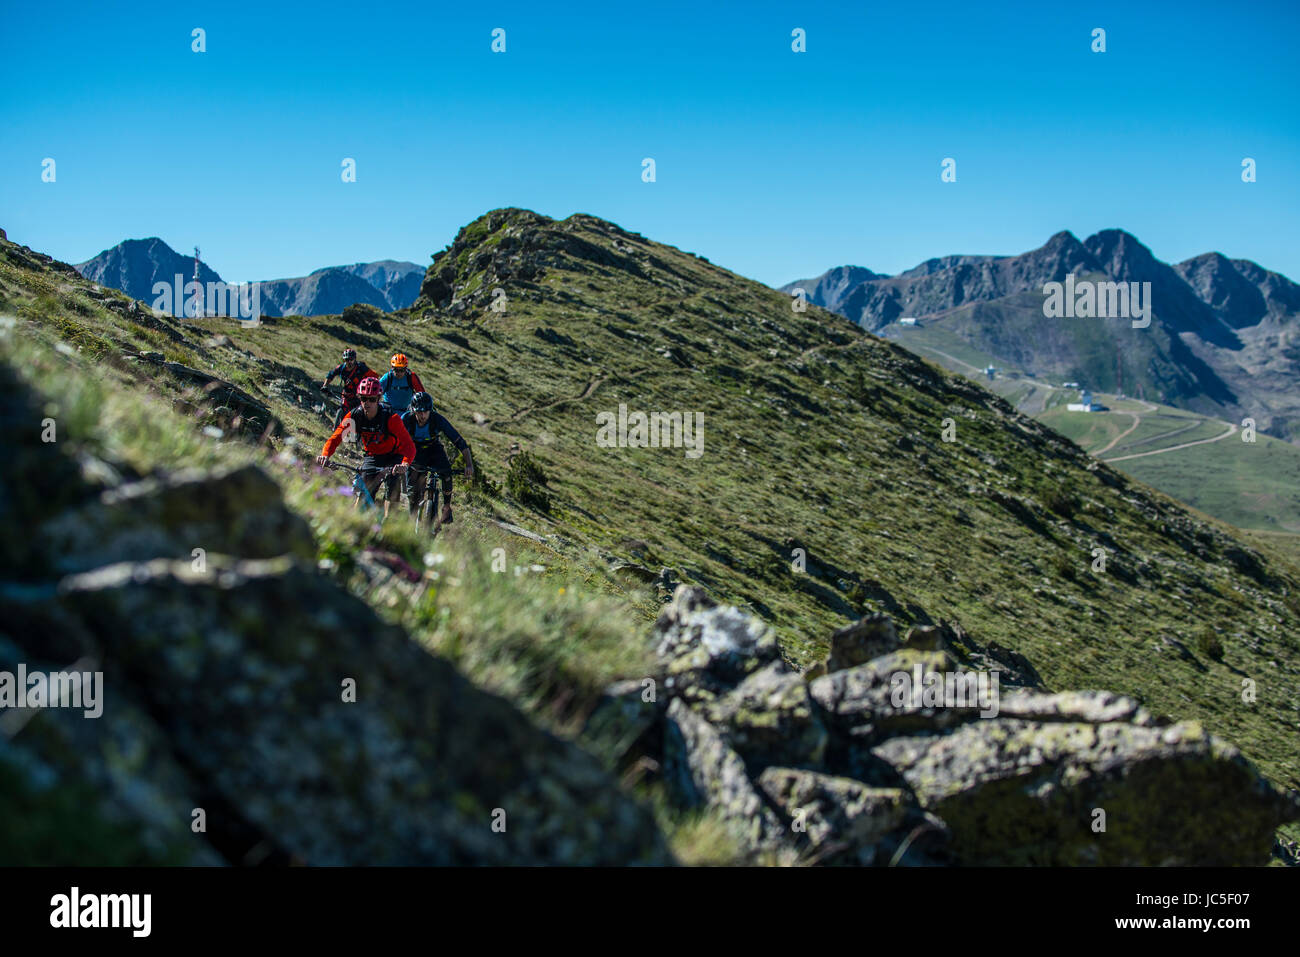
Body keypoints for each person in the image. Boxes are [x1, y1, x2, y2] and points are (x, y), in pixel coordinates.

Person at [316, 376, 414, 519]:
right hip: (373, 457)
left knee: (392, 491)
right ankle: (358, 524)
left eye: (372, 399)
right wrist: (325, 455)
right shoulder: (355, 415)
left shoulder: (391, 418)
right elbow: (335, 438)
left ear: (378, 399)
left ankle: (388, 527)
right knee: (364, 495)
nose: (367, 403)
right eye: (363, 399)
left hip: (394, 456)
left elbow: (409, 446)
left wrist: (404, 464)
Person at [401, 391, 475, 531]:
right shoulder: (406, 419)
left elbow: (458, 441)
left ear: (430, 410)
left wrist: (469, 465)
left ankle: (446, 507)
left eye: (426, 412)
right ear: (413, 410)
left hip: (434, 449)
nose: (422, 416)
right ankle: (411, 522)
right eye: (419, 412)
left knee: (446, 474)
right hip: (415, 452)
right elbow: (395, 439)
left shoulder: (437, 419)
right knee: (414, 493)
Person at [320, 349, 378, 428]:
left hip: (359, 394)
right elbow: (331, 374)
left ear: (355, 359)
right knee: (342, 409)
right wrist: (325, 386)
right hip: (347, 393)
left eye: (351, 359)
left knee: (360, 413)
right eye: (347, 360)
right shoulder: (341, 368)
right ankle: (337, 429)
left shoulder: (361, 367)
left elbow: (374, 376)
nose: (349, 362)